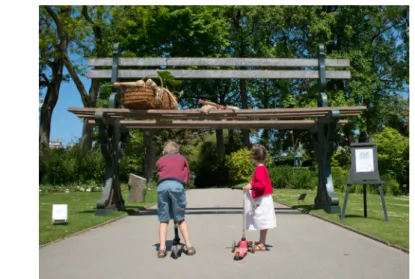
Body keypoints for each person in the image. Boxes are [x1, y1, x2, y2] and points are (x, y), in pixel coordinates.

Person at [155, 140, 196, 258]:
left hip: (162, 187)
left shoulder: (160, 160)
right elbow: (186, 173)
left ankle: (162, 248)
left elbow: (159, 171)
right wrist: (185, 185)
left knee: (163, 219)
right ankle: (188, 246)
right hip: (177, 186)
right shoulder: (181, 158)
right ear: (177, 152)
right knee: (180, 218)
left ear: (164, 152)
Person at [242, 144, 277, 251]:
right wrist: (251, 183)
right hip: (264, 198)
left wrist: (251, 186)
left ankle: (262, 243)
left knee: (262, 219)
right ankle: (262, 240)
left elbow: (261, 184)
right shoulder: (261, 168)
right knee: (262, 219)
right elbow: (258, 181)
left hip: (262, 199)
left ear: (253, 157)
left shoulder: (260, 169)